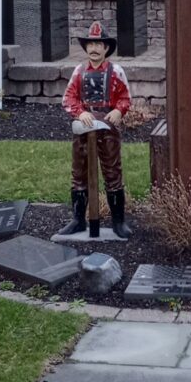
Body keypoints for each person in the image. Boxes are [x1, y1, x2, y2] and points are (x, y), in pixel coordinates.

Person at [58, 21, 133, 239]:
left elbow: (125, 97)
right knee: (79, 173)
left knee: (112, 172)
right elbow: (68, 97)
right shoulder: (79, 72)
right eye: (90, 44)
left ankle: (119, 221)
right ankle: (78, 220)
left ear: (106, 48)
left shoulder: (116, 71)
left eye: (98, 44)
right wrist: (80, 112)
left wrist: (119, 111)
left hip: (107, 127)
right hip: (84, 127)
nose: (94, 49)